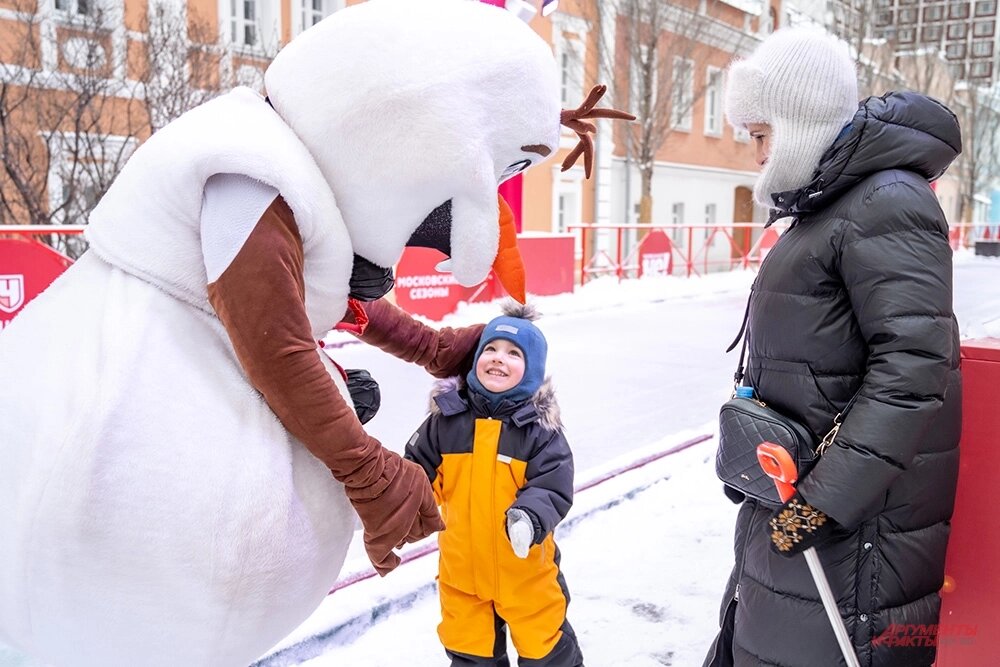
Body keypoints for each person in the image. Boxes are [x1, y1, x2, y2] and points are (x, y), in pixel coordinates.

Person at [704, 28, 962, 667]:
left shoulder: (886, 201)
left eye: (761, 135)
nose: (756, 156)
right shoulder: (828, 205)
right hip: (794, 499)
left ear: (799, 123)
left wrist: (823, 503)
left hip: (853, 531)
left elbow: (913, 366)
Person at [405, 301, 583, 667]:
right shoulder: (445, 421)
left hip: (525, 573)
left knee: (545, 648)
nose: (499, 358)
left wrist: (528, 516)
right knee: (469, 650)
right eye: (491, 349)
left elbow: (551, 485)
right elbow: (416, 474)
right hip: (461, 573)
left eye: (514, 353)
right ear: (476, 360)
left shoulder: (540, 432)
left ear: (532, 369)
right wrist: (394, 501)